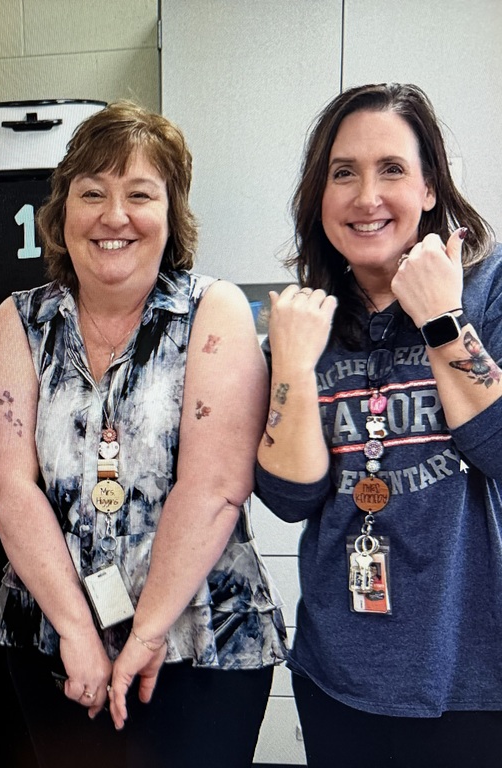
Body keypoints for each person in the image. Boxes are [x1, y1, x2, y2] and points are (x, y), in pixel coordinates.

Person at [0, 100, 286, 768]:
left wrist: (144, 634)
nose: (114, 216)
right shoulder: (19, 321)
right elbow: (5, 484)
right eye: (92, 193)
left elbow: (217, 485)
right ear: (62, 213)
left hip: (201, 638)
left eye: (139, 193)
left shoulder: (214, 309)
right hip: (54, 645)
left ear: (171, 215)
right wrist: (78, 630)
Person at [256, 82, 502, 767]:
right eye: (344, 173)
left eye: (392, 169)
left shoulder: (488, 288)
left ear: (429, 188)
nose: (367, 196)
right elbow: (289, 498)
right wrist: (294, 369)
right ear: (320, 196)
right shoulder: (305, 321)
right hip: (339, 674)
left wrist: (442, 320)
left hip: (474, 676)